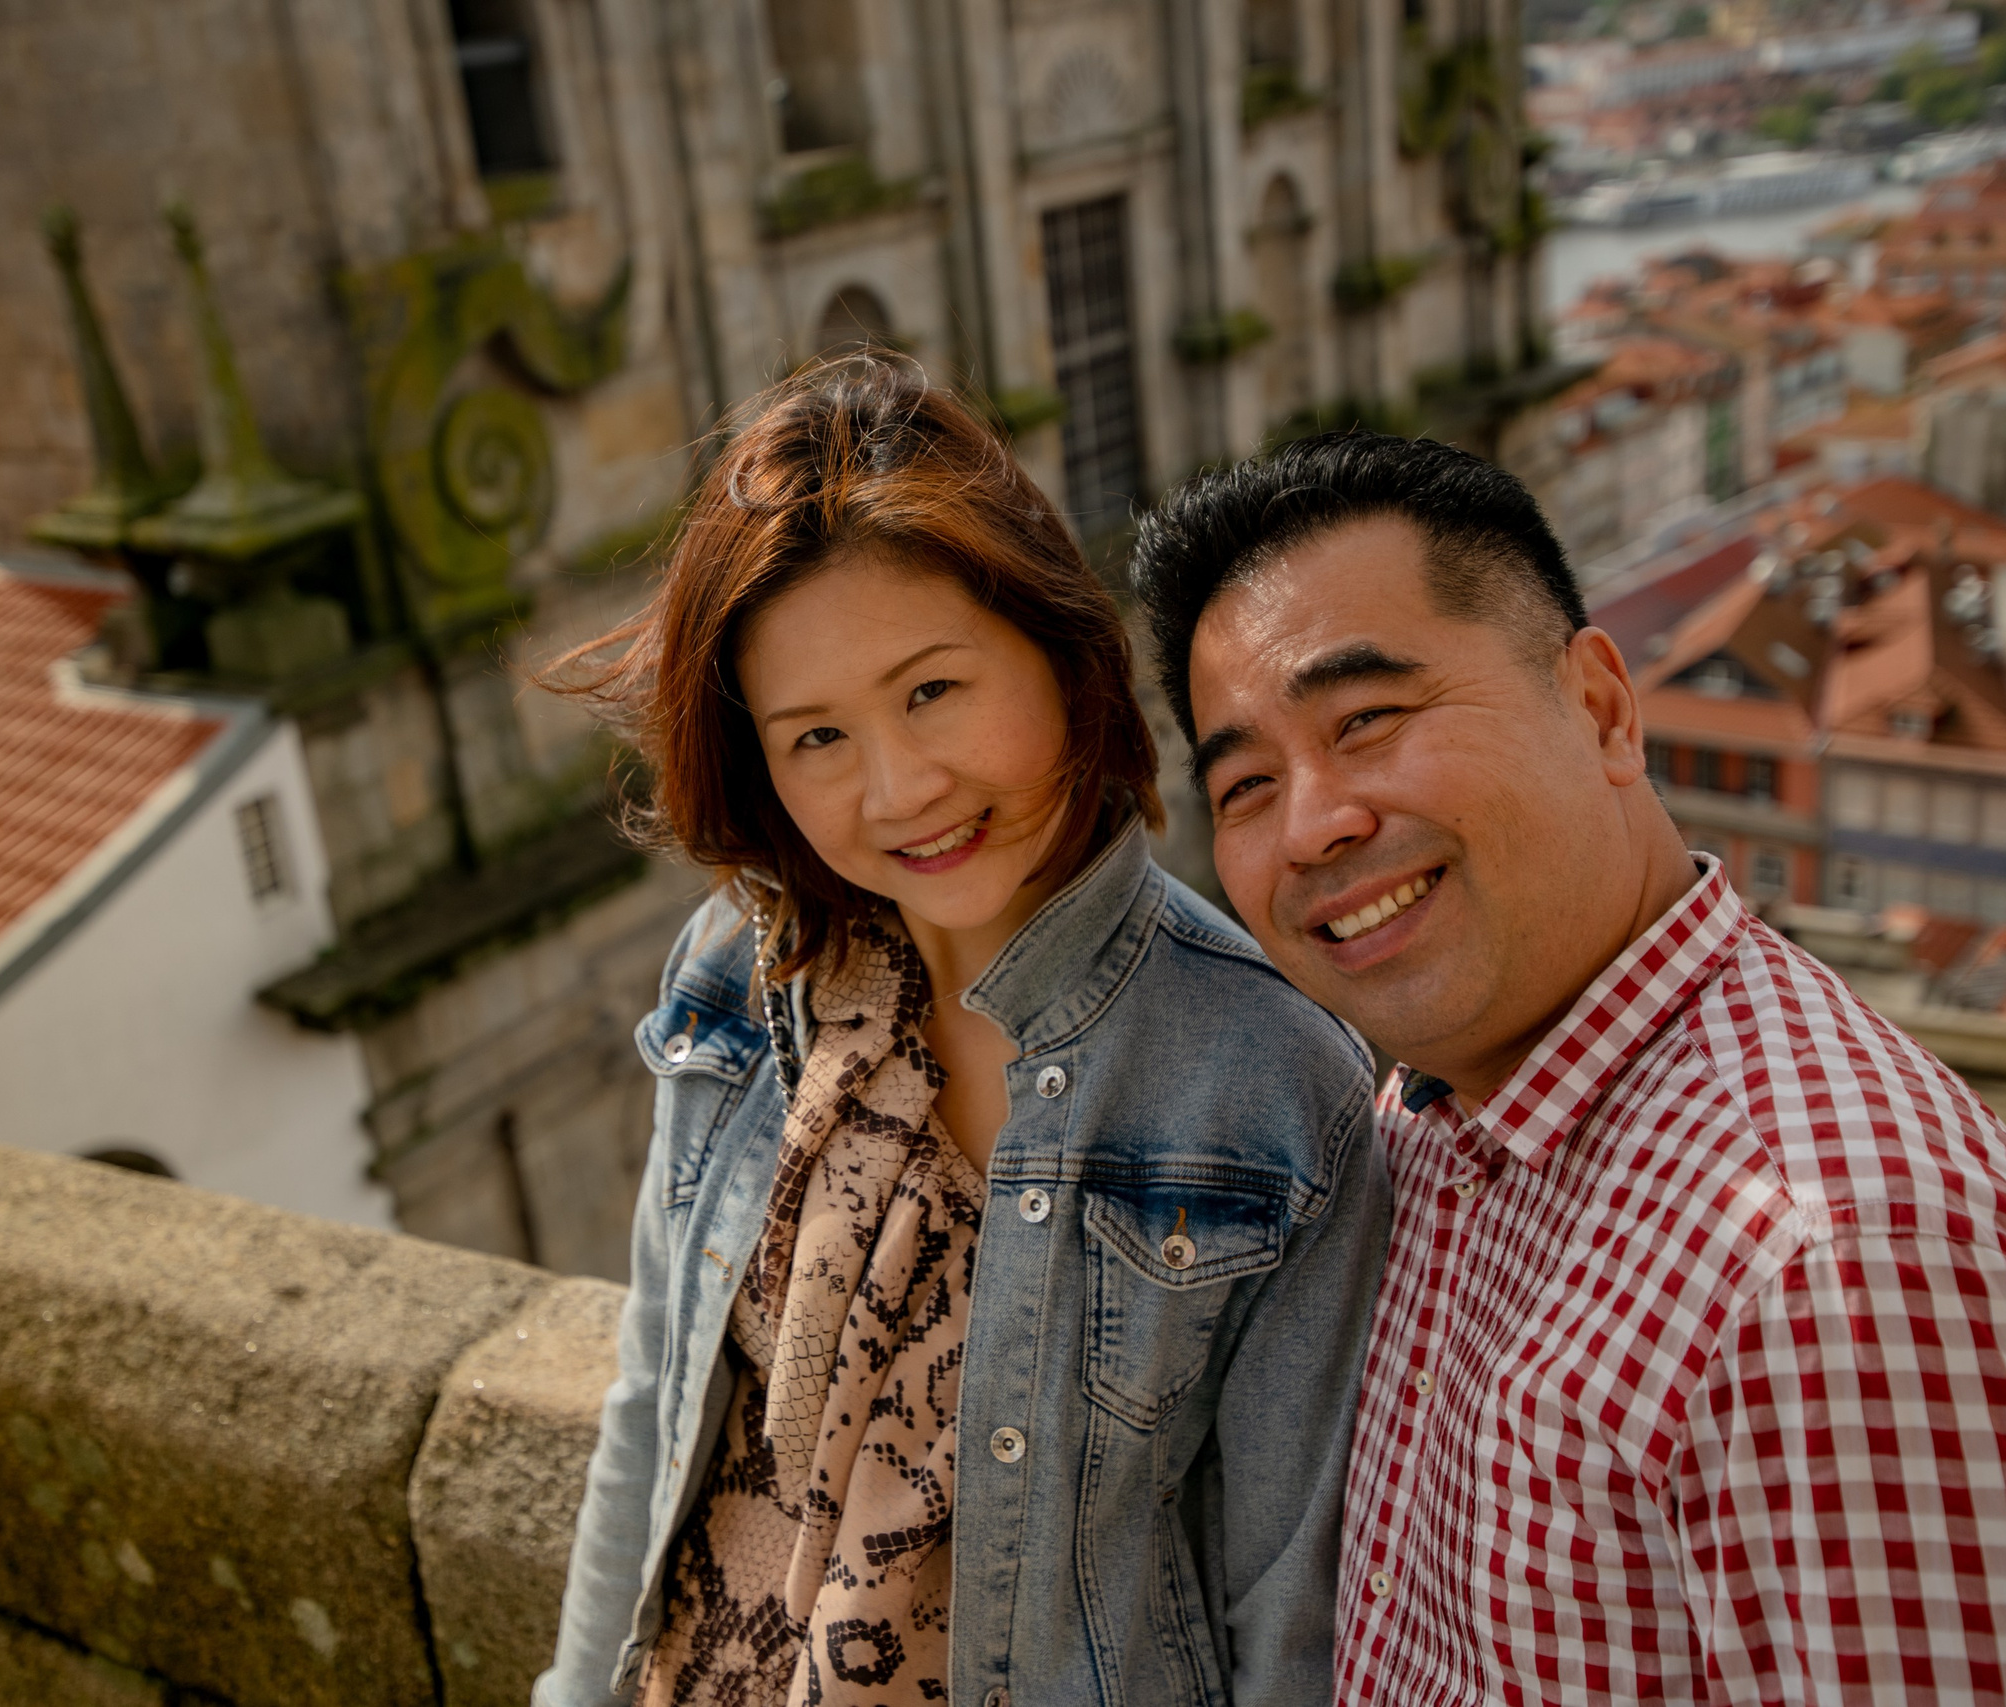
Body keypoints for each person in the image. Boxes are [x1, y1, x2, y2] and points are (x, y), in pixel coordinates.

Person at [1130, 431, 2006, 1705]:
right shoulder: (1434, 1117)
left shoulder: (1853, 1275)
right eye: (1248, 784)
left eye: (1366, 720)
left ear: (1600, 710)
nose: (1313, 822)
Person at [532, 357, 1390, 1707]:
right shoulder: (746, 973)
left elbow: (1285, 1612)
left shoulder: (1268, 1085)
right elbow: (654, 1410)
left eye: (933, 689)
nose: (898, 789)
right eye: (815, 734)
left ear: (1058, 649)